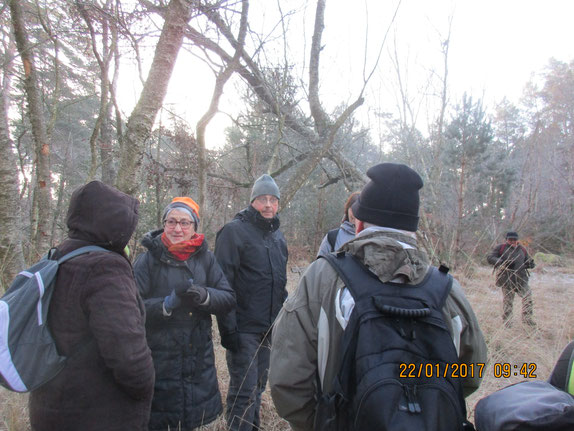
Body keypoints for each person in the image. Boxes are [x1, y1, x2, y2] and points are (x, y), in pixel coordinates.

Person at [269, 163, 487, 431]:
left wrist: (319, 423)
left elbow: (287, 379)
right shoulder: (447, 290)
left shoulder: (321, 278)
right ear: (413, 229)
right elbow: (471, 374)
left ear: (358, 224)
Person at [28, 181, 155, 431]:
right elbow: (127, 353)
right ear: (117, 223)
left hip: (50, 405)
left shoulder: (59, 255)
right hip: (99, 414)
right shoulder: (105, 268)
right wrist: (145, 388)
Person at [134, 197, 236, 431]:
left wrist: (205, 295)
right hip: (159, 358)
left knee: (191, 421)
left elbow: (228, 297)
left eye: (184, 223)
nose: (177, 228)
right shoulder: (148, 260)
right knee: (159, 421)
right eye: (171, 221)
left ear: (194, 227)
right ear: (163, 224)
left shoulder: (206, 258)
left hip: (197, 358)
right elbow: (131, 307)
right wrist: (166, 305)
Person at [215, 174, 288, 431]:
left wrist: (283, 320)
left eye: (273, 200)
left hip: (268, 328)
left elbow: (280, 285)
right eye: (262, 199)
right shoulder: (233, 232)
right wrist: (229, 330)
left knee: (257, 388)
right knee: (243, 391)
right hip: (243, 328)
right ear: (252, 201)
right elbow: (221, 285)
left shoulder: (278, 237)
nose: (268, 205)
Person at [487, 231, 536, 328]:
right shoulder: (500, 248)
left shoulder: (522, 249)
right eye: (510, 239)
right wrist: (502, 262)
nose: (512, 241)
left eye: (514, 239)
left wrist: (530, 264)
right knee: (508, 302)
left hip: (521, 279)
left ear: (517, 240)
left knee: (528, 299)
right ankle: (507, 323)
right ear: (506, 240)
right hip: (506, 279)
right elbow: (490, 257)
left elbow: (529, 260)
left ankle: (527, 320)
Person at [316, 191, 360, 257]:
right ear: (347, 209)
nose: (353, 214)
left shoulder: (372, 238)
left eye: (358, 210)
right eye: (352, 209)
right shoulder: (332, 237)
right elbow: (319, 265)